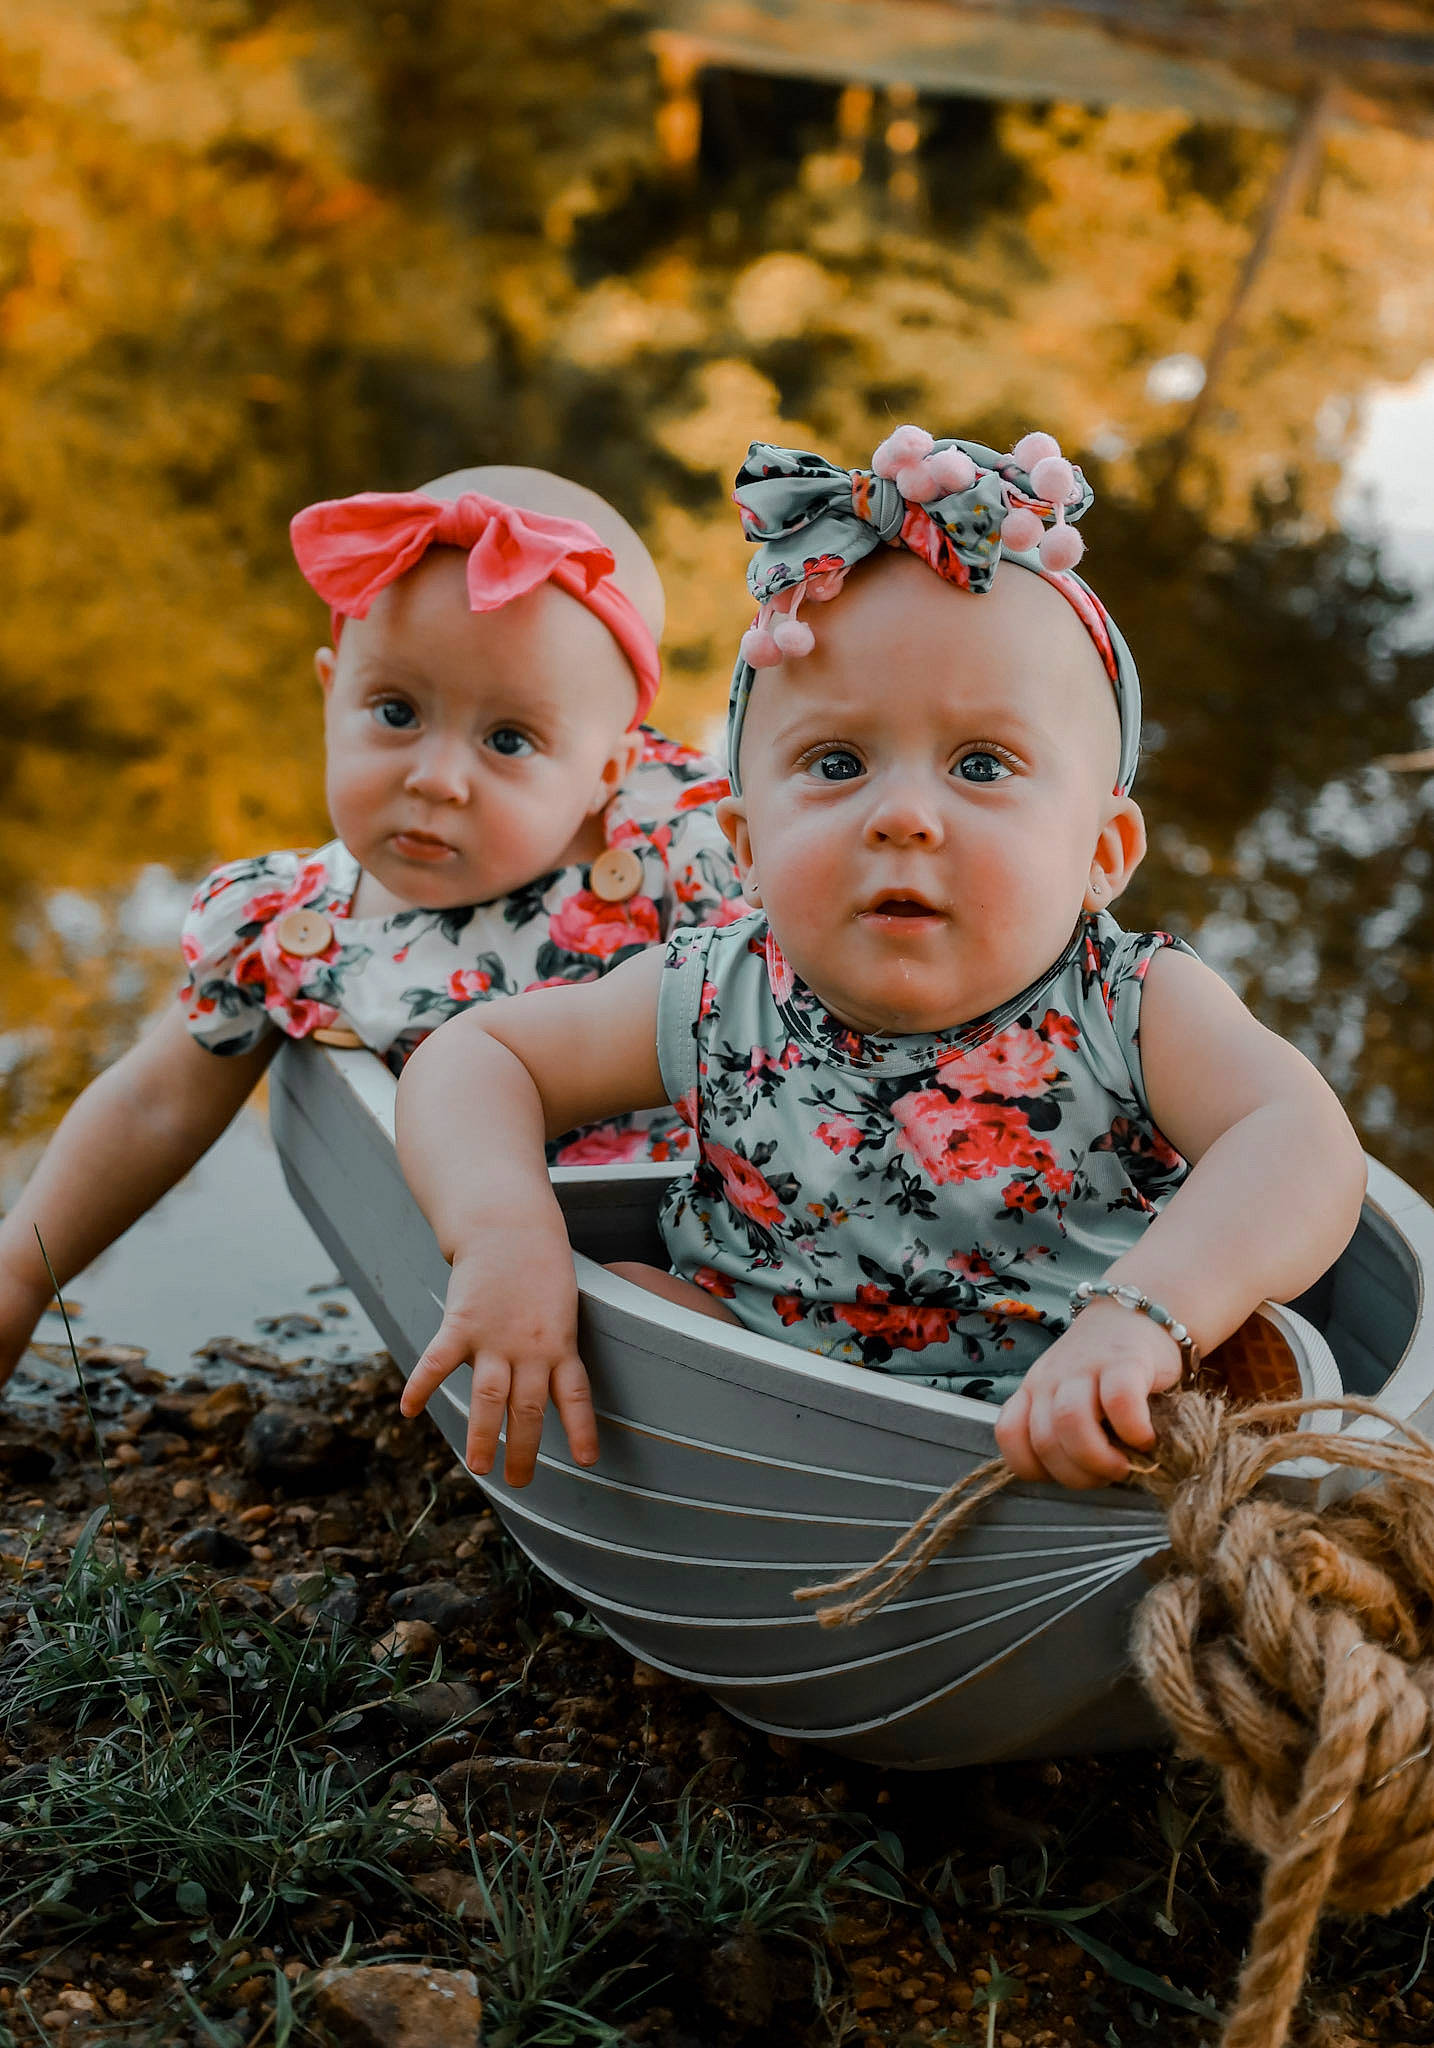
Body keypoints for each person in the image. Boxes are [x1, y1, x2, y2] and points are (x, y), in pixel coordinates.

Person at [394, 428, 1367, 1492]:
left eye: (981, 765)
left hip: (1070, 1407)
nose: (903, 815)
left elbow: (1301, 1141)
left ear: (1102, 851)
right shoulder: (717, 988)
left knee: (1227, 1377)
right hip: (756, 1394)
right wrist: (505, 1232)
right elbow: (478, 1054)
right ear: (748, 846)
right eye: (837, 762)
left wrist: (1147, 1314)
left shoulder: (1131, 1003)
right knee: (617, 1299)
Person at [0, 465, 741, 1389]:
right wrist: (21, 1274)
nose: (436, 778)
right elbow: (153, 1106)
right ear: (330, 693)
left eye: (508, 740)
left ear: (607, 770)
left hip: (730, 1236)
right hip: (511, 1253)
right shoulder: (291, 928)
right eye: (396, 712)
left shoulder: (683, 844)